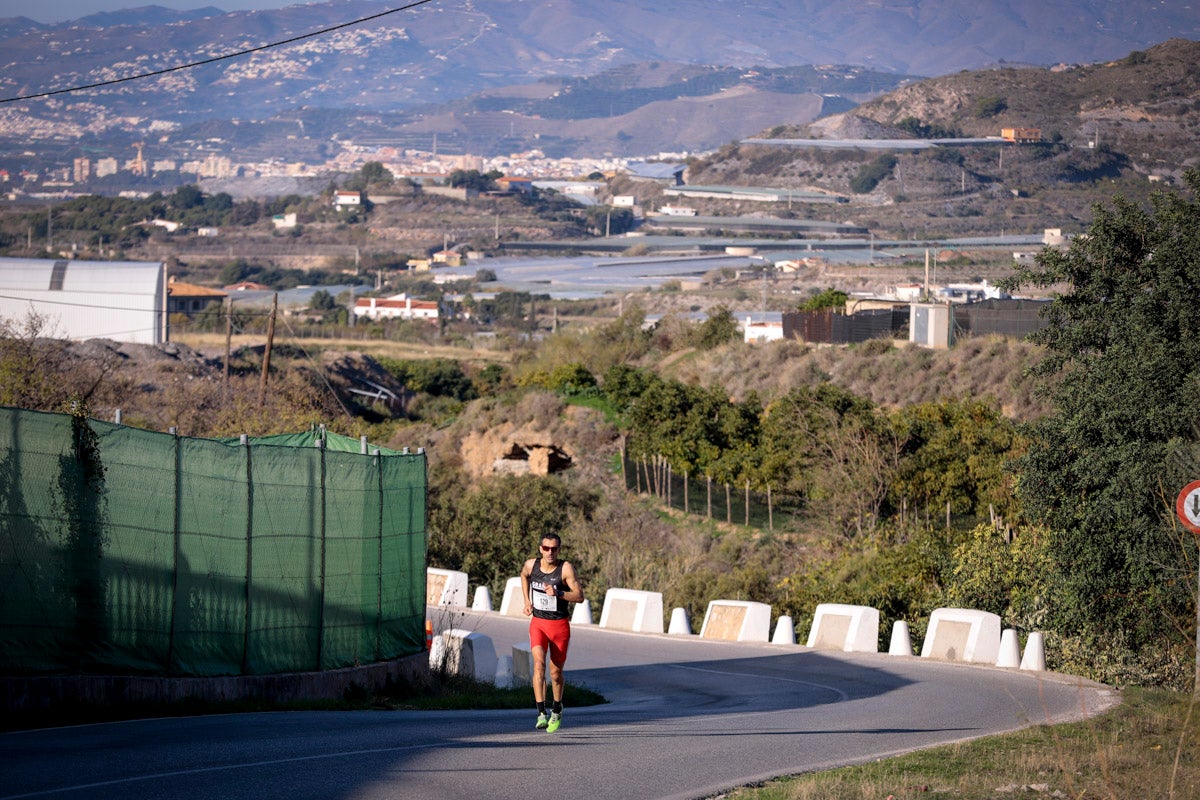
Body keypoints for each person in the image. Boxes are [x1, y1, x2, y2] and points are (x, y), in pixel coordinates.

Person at [520, 532, 584, 733]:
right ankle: (541, 713)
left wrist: (559, 593)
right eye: (546, 548)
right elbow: (523, 576)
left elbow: (580, 596)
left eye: (554, 549)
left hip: (559, 625)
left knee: (555, 673)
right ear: (540, 549)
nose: (550, 552)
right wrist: (527, 601)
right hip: (538, 623)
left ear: (559, 549)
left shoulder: (565, 568)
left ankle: (557, 708)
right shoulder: (532, 565)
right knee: (538, 665)